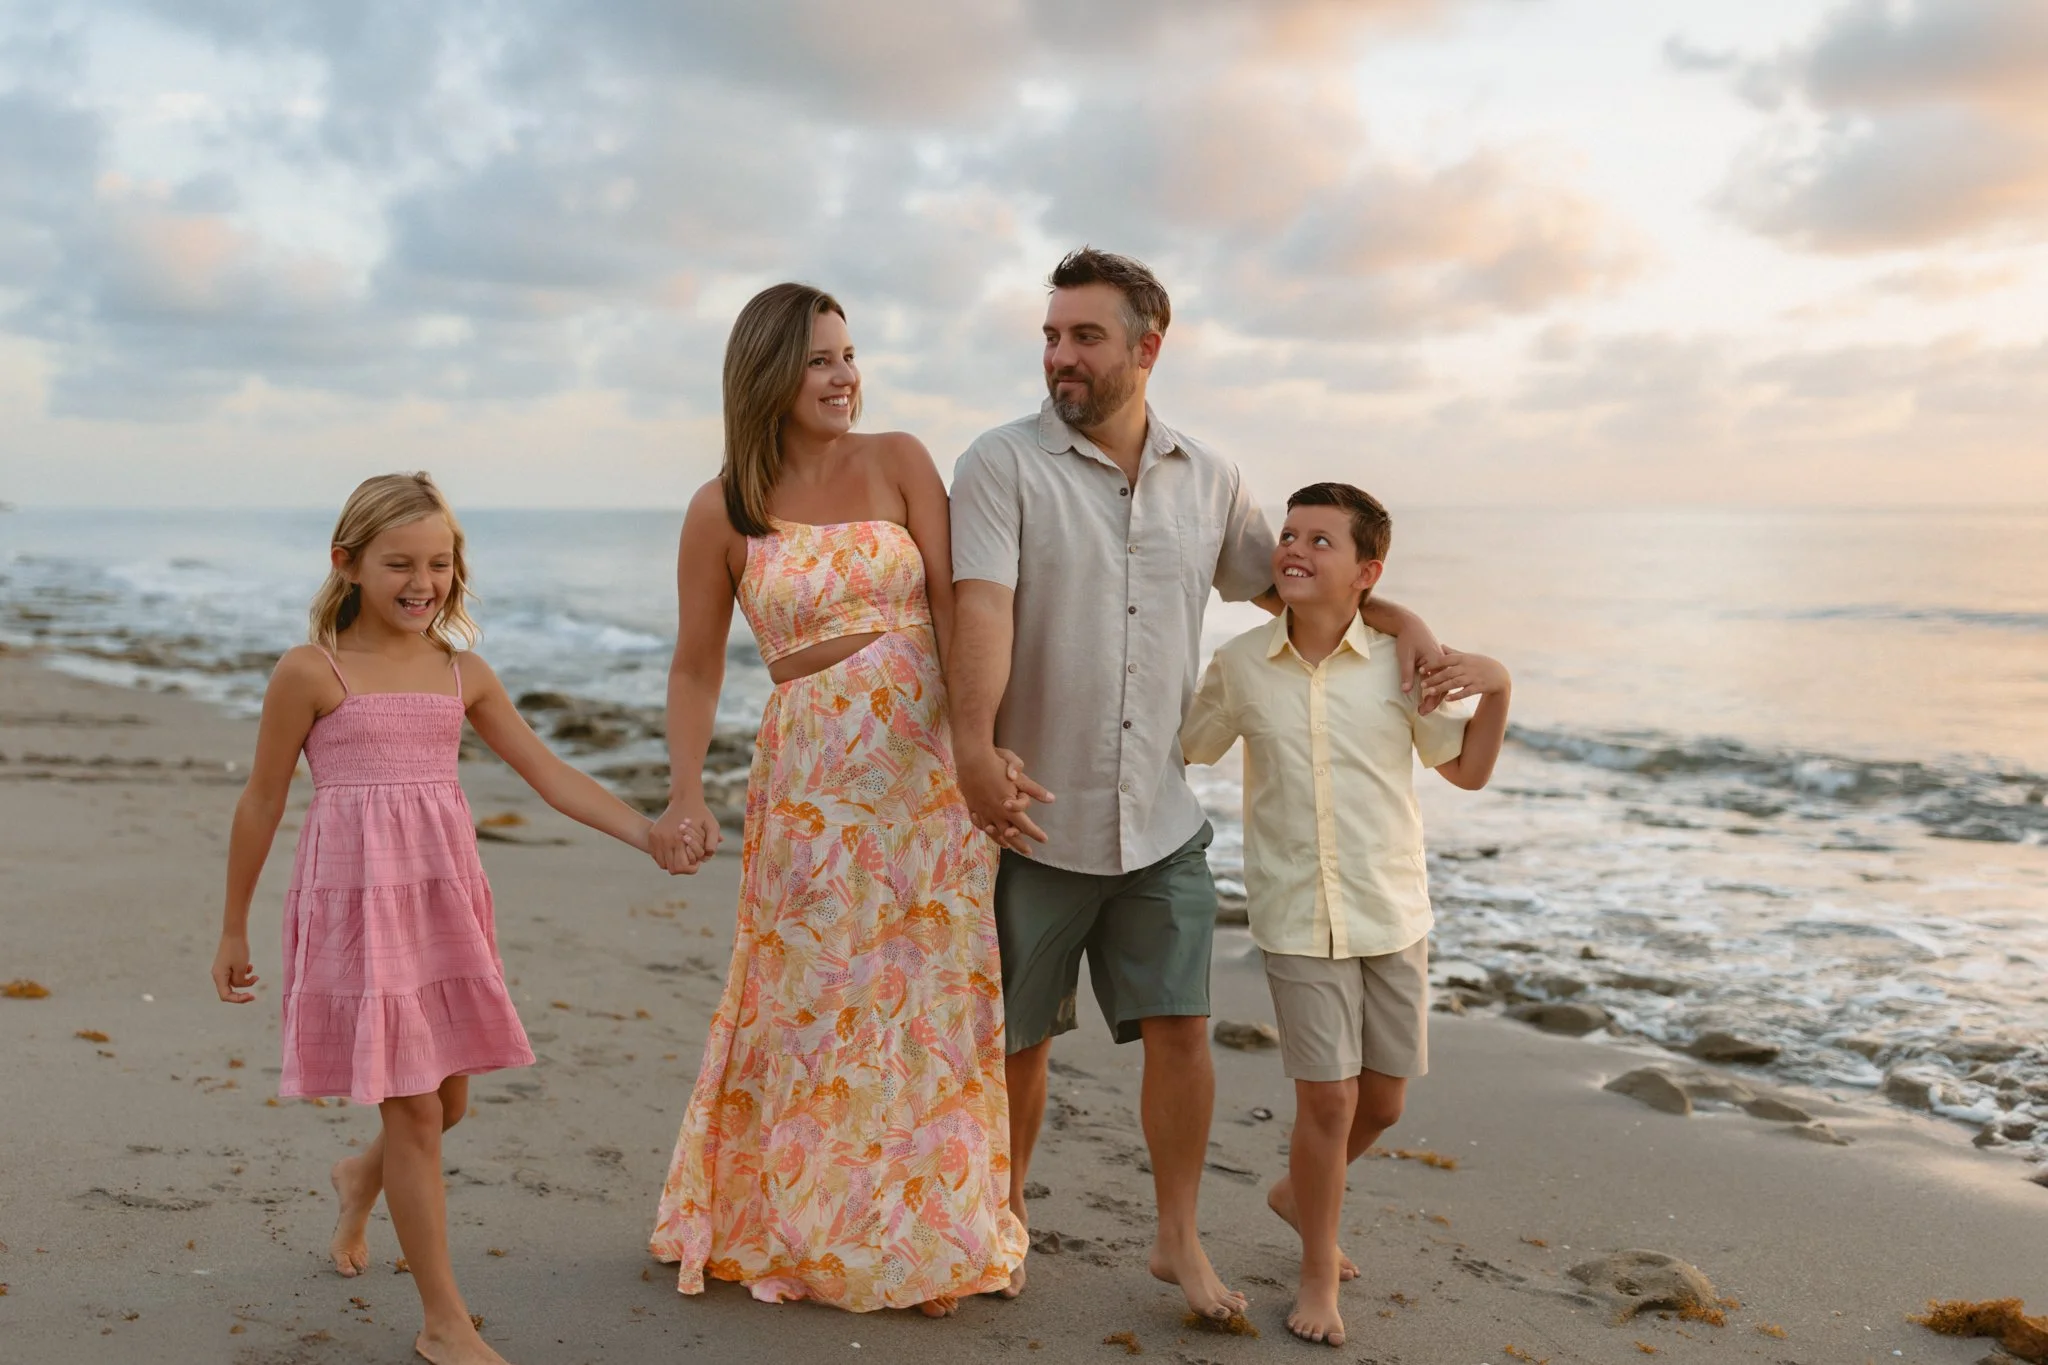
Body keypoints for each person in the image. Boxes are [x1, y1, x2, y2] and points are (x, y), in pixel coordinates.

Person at [945, 249, 1447, 1318]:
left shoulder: (1209, 478)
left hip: (1160, 822)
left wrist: (1410, 629)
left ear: (1146, 348)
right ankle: (1004, 1217)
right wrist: (974, 749)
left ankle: (1176, 1238)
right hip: (1034, 814)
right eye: (1050, 335)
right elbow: (980, 607)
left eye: (1084, 336)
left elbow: (1296, 589)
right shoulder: (999, 464)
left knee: (1180, 1033)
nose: (1059, 356)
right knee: (1020, 1044)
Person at [209, 472, 681, 1365]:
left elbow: (550, 774)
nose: (421, 581)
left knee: (447, 1101)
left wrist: (645, 831)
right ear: (347, 563)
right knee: (417, 1111)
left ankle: (360, 1176)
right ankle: (443, 1323)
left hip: (442, 904)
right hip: (359, 910)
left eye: (438, 562)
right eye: (398, 563)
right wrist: (233, 925)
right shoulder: (314, 670)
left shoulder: (462, 671)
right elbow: (261, 800)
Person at [645, 283, 1027, 1315]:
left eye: (849, 355)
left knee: (927, 997)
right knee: (811, 998)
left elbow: (957, 608)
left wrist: (979, 747)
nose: (845, 376)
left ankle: (929, 1230)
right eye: (821, 358)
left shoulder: (901, 459)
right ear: (768, 370)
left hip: (922, 770)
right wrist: (685, 792)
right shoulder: (721, 506)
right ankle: (804, 1221)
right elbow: (693, 669)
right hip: (809, 780)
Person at [1181, 482, 1511, 1347]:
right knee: (1326, 1100)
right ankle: (1318, 1266)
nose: (1294, 547)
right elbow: (1185, 744)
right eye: (1289, 534)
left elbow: (1466, 774)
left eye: (1321, 540)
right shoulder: (1244, 665)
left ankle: (1298, 1194)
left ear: (1367, 571)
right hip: (1295, 914)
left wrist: (1501, 686)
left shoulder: (1403, 667)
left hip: (1391, 909)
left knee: (1386, 1103)